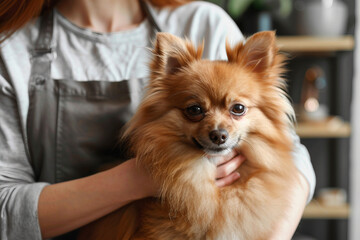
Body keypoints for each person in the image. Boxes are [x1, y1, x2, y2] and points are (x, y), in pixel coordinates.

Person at [0, 0, 316, 239]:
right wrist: (136, 180)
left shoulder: (200, 21)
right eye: (195, 109)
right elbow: (5, 212)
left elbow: (292, 155)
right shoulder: (13, 45)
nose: (219, 127)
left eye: (236, 109)